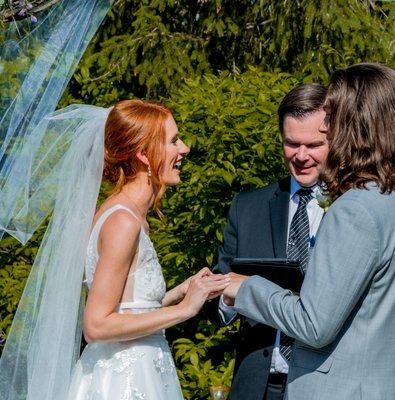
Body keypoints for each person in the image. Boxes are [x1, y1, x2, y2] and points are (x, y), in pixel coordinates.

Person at [223, 63, 395, 400]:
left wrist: (245, 288)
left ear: (358, 124)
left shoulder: (355, 209)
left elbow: (313, 324)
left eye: (332, 117)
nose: (328, 126)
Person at [0, 100, 230, 400]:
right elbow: (96, 325)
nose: (184, 149)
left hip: (141, 370)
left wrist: (183, 291)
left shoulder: (129, 215)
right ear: (145, 155)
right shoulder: (122, 221)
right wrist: (185, 309)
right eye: (174, 141)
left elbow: (127, 305)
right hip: (122, 382)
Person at [212, 83, 328, 400]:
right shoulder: (248, 207)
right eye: (292, 144)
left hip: (321, 385)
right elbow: (217, 295)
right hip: (256, 386)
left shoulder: (351, 209)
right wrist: (232, 294)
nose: (301, 156)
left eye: (313, 145)